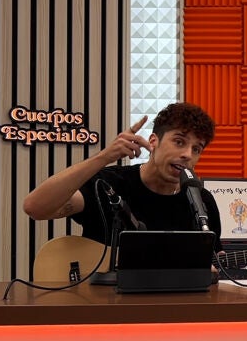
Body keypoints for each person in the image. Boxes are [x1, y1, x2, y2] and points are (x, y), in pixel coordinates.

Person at [23, 102, 223, 252]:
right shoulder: (108, 184)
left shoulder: (202, 202)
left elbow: (212, 264)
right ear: (153, 141)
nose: (188, 154)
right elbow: (35, 207)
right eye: (179, 142)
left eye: (196, 149)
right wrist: (104, 157)